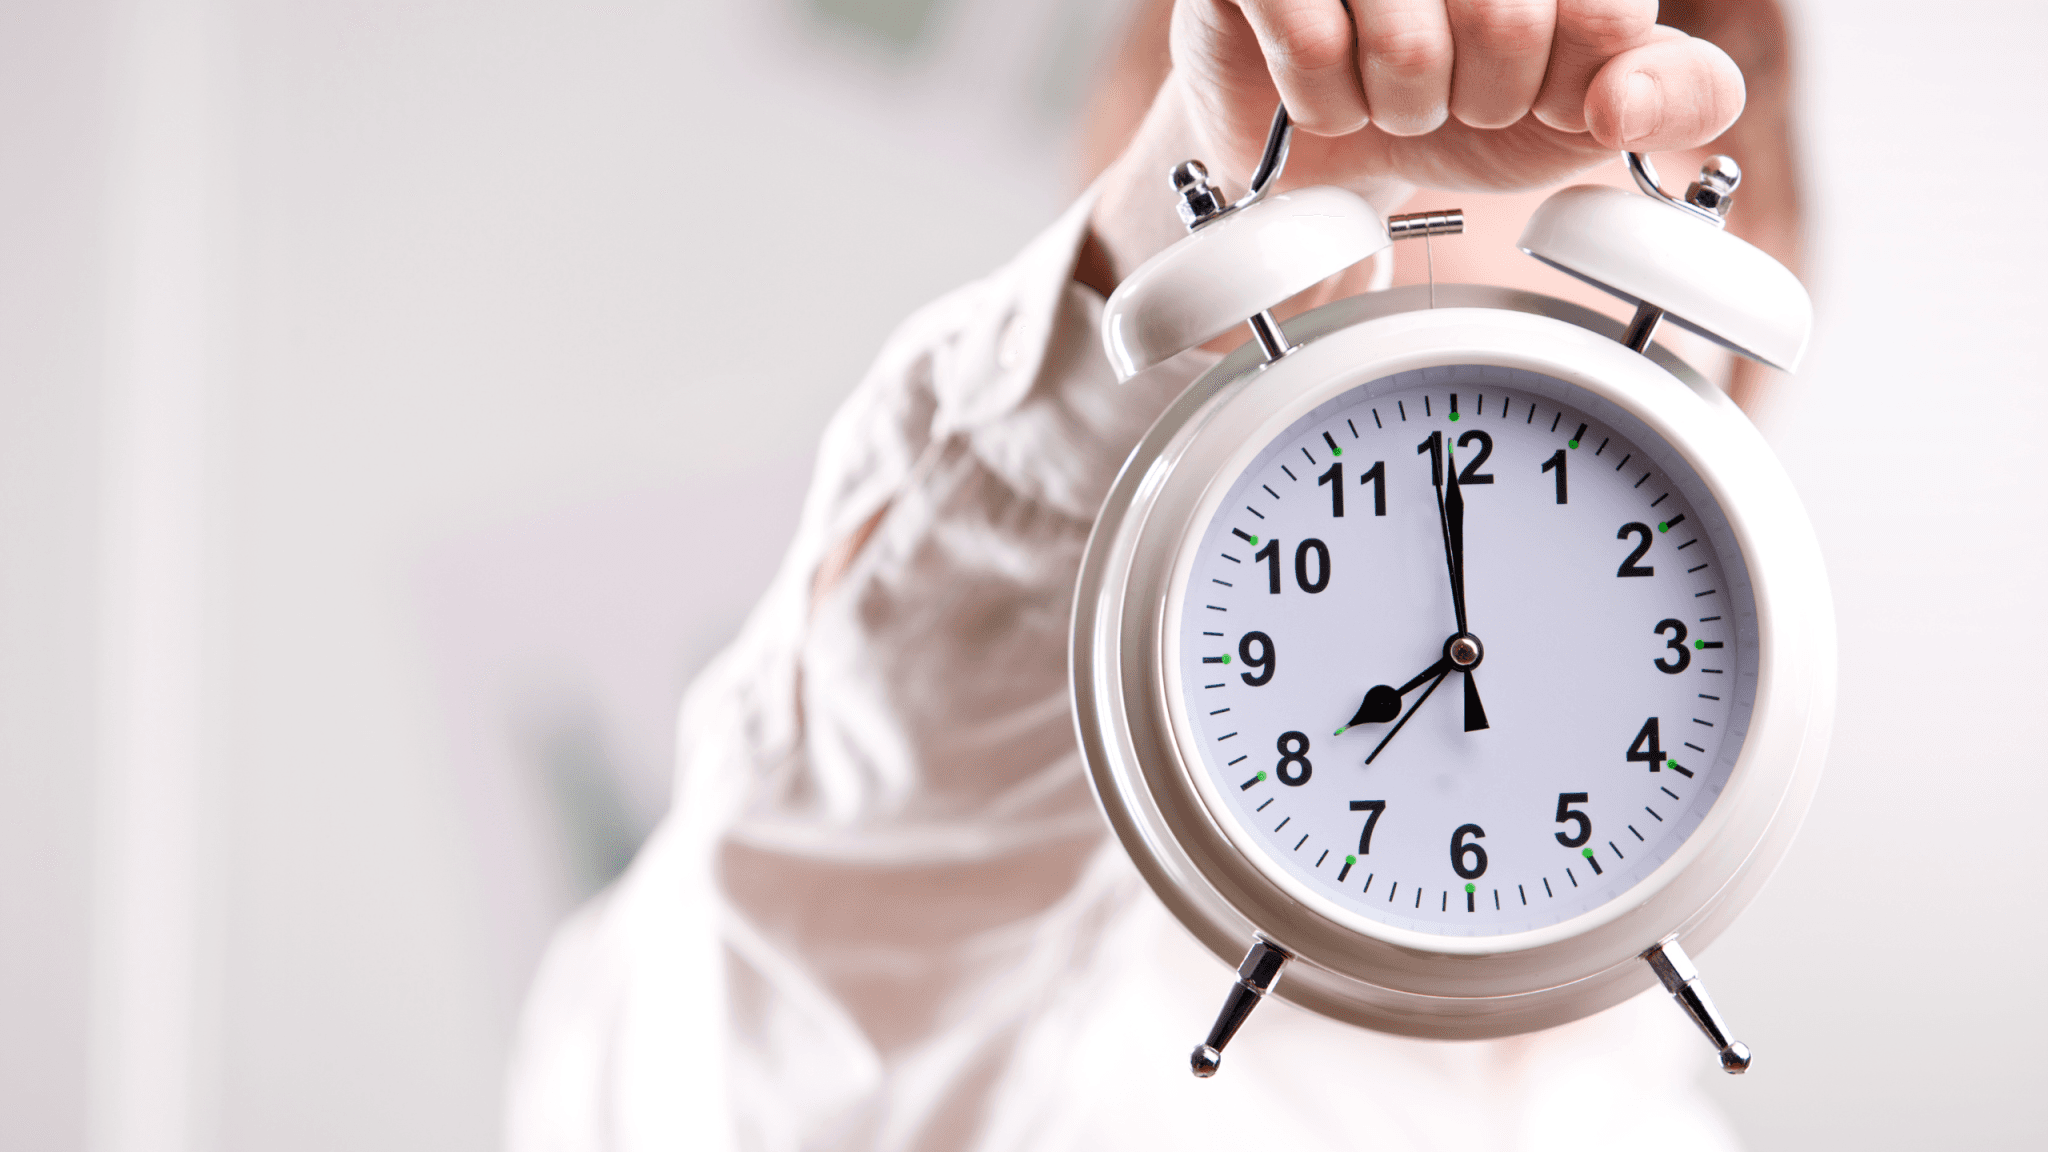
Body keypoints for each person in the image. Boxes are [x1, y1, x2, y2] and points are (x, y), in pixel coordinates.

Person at [505, 3, 1797, 1148]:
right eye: (1344, 389)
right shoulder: (956, 1013)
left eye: (1586, 428)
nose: (1457, 457)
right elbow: (802, 1010)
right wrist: (1162, 264)